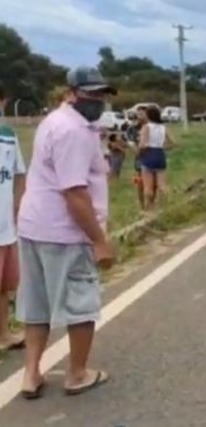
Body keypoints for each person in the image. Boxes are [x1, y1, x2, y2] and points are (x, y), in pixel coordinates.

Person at [15, 66, 117, 399]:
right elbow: (74, 192)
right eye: (90, 94)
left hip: (34, 226)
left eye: (101, 94)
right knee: (81, 303)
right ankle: (77, 373)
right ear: (70, 93)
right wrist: (99, 241)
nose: (97, 101)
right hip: (65, 232)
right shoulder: (74, 132)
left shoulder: (53, 122)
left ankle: (31, 374)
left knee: (36, 304)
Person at [0, 86, 27, 352]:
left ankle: (3, 334)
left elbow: (19, 174)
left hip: (7, 225)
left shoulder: (8, 136)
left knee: (5, 286)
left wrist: (19, 207)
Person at [138, 106, 176, 210]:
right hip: (160, 154)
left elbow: (142, 144)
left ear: (149, 115)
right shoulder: (163, 127)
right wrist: (164, 148)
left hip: (149, 154)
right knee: (162, 185)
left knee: (148, 187)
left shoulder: (146, 127)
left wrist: (139, 152)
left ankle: (149, 208)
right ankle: (165, 207)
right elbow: (173, 142)